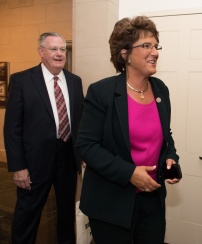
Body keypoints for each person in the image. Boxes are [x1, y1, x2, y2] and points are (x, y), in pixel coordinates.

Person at [75, 16, 181, 244]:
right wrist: (129, 173)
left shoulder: (161, 89)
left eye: (155, 45)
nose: (155, 52)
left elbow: (165, 136)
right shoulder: (101, 92)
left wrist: (170, 156)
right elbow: (86, 146)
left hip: (152, 200)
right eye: (146, 46)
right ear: (125, 54)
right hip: (111, 202)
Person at [4, 32, 84, 244]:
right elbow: (12, 128)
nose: (59, 54)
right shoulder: (22, 80)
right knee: (28, 213)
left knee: (67, 213)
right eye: (53, 49)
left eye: (62, 49)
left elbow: (79, 122)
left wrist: (83, 152)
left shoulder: (75, 82)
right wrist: (18, 166)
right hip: (34, 161)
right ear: (41, 52)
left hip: (67, 157)